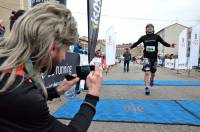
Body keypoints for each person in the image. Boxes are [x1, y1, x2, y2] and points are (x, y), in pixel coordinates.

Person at [0, 3, 102, 132]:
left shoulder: (10, 68)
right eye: (65, 50)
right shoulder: (25, 97)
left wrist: (58, 90)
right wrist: (92, 95)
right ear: (53, 47)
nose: (64, 58)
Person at [130, 23, 175, 95]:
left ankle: (152, 79)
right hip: (146, 58)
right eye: (148, 27)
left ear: (153, 29)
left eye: (151, 27)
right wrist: (130, 47)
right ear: (146, 29)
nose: (150, 28)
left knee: (153, 73)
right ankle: (147, 87)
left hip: (154, 58)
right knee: (147, 72)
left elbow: (164, 43)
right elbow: (136, 43)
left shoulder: (157, 36)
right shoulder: (143, 37)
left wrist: (170, 45)